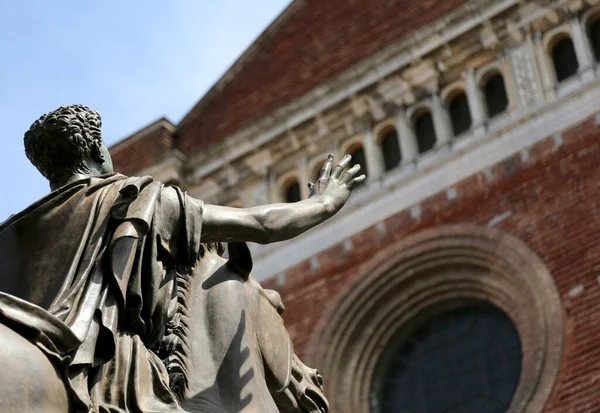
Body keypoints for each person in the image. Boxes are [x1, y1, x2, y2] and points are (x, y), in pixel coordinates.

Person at [0, 105, 364, 413]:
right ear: (97, 149)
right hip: (108, 369)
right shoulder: (134, 198)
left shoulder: (10, 233)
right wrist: (324, 202)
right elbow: (260, 224)